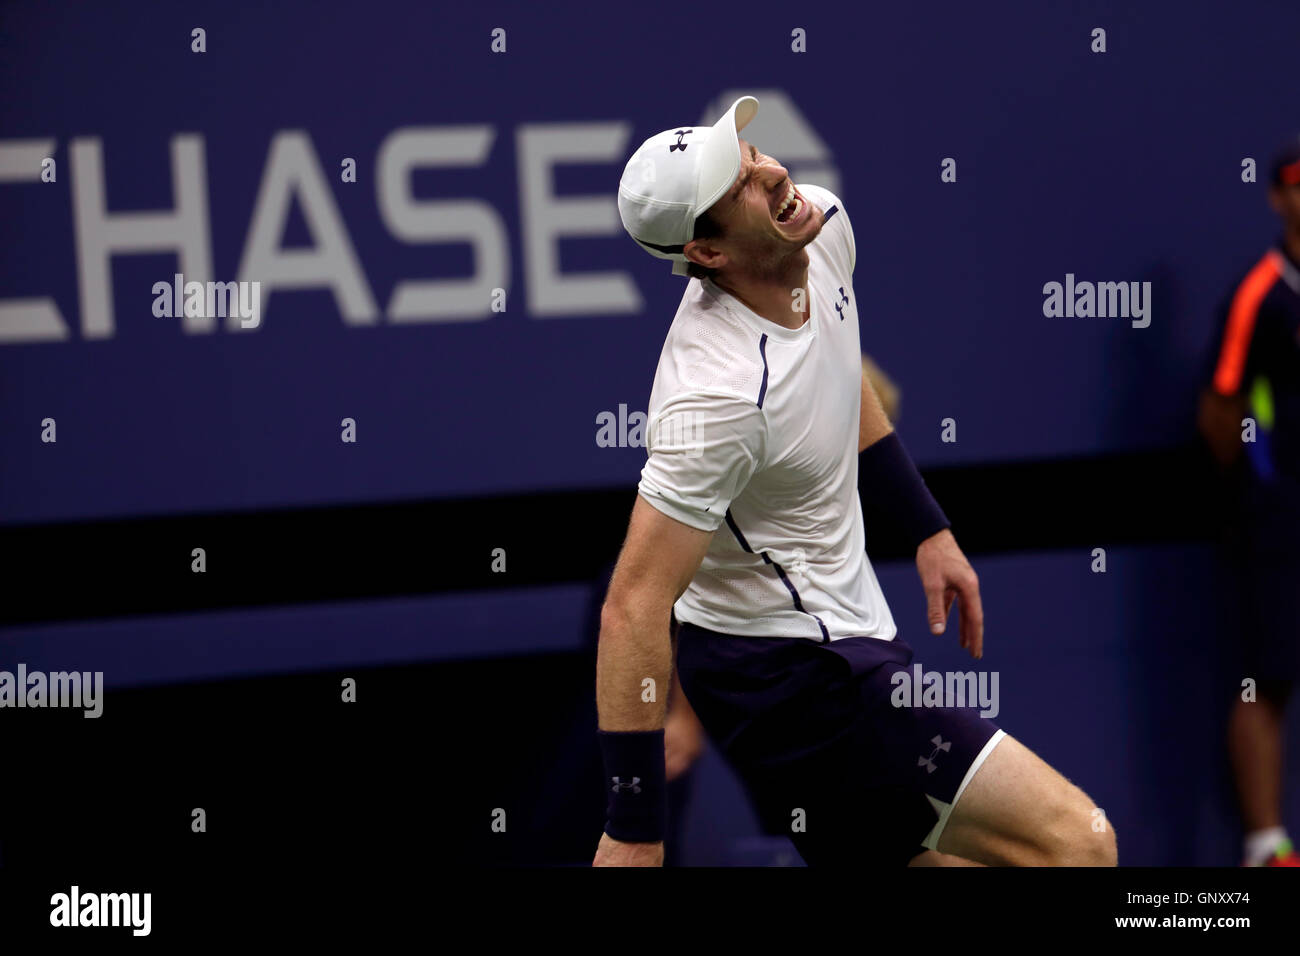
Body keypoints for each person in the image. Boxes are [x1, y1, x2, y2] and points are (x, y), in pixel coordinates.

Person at [591, 95, 1116, 867]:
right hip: (794, 677)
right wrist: (634, 828)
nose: (772, 173)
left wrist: (926, 527)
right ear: (707, 254)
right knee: (1079, 844)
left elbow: (841, 377)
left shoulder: (823, 225)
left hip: (839, 639)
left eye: (753, 156)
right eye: (740, 188)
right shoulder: (716, 398)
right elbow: (634, 604)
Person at [1197, 135, 1300, 867]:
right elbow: (1219, 409)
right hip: (1280, 520)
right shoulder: (1259, 293)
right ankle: (1266, 847)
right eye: (1295, 185)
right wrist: (1263, 482)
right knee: (1267, 675)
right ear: (1277, 197)